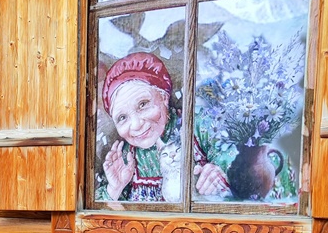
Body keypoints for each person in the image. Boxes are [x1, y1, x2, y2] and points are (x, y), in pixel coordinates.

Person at [97, 52, 229, 203]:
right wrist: (115, 188)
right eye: (122, 118)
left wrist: (221, 175)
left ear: (164, 97)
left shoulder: (199, 123)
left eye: (143, 104)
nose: (136, 125)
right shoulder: (125, 157)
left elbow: (240, 165)